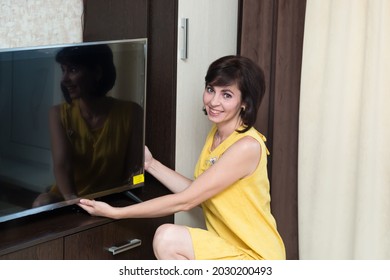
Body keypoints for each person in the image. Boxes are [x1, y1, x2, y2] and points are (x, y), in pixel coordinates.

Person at [78, 55, 286, 260]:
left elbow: (187, 200)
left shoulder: (246, 147)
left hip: (257, 257)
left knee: (167, 238)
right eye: (211, 89)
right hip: (227, 247)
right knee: (167, 239)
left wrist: (116, 212)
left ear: (245, 103)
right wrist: (150, 164)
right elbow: (197, 190)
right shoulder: (218, 134)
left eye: (227, 95)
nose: (213, 101)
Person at [33, 44, 143, 207]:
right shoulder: (58, 114)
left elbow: (135, 169)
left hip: (110, 198)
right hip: (71, 196)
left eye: (73, 70)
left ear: (97, 72)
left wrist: (133, 197)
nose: (64, 79)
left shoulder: (132, 112)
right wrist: (74, 202)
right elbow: (62, 166)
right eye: (63, 70)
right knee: (42, 202)